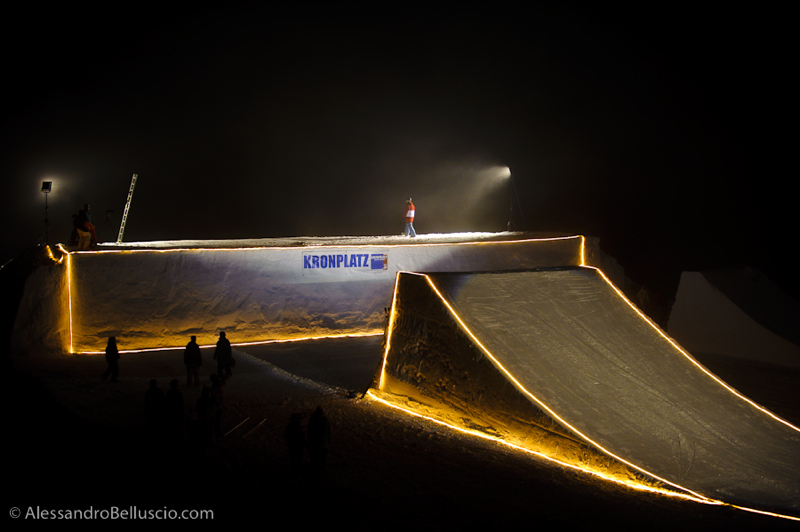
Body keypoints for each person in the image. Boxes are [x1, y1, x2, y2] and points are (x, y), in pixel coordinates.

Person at [307, 406, 331, 476]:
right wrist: (328, 440)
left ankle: (314, 468)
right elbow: (328, 431)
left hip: (314, 441)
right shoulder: (325, 420)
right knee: (322, 457)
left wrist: (309, 439)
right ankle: (321, 469)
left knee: (314, 456)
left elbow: (309, 430)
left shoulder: (312, 419)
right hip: (323, 442)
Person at [284, 413, 305, 479]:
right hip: (298, 447)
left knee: (294, 460)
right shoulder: (298, 427)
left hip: (292, 446)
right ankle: (296, 475)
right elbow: (301, 438)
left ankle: (293, 474)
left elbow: (286, 436)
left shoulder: (289, 426)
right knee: (298, 461)